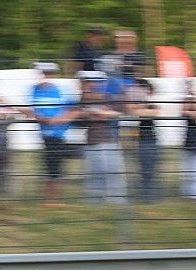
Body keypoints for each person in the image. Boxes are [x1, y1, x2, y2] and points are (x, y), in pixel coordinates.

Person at [75, 71, 127, 204]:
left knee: (114, 172)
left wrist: (101, 113)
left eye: (90, 81)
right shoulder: (85, 98)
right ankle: (95, 202)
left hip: (109, 139)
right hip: (93, 140)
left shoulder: (108, 96)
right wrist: (102, 112)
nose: (89, 84)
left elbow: (117, 112)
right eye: (86, 82)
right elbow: (87, 113)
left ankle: (117, 202)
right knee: (96, 173)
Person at [30, 62, 74, 205]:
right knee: (50, 165)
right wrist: (41, 118)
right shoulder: (34, 90)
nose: (42, 77)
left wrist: (58, 120)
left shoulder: (62, 89)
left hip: (58, 133)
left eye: (45, 74)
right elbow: (31, 110)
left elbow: (72, 110)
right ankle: (51, 198)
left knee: (54, 166)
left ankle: (53, 199)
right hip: (44, 133)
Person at [125, 79, 161, 202]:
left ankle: (149, 197)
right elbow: (133, 111)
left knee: (149, 171)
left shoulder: (151, 103)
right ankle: (145, 196)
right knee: (143, 171)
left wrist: (141, 108)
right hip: (138, 141)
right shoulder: (133, 103)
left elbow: (155, 113)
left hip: (149, 140)